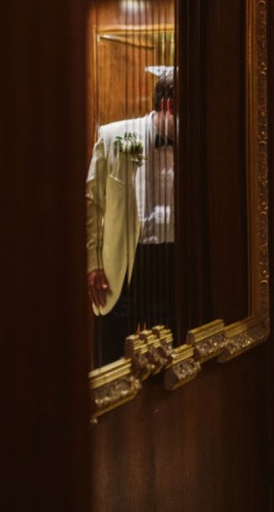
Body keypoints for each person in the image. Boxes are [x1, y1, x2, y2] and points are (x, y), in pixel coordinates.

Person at [86, 71, 177, 365]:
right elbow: (91, 203)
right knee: (110, 357)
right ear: (169, 106)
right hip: (124, 261)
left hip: (172, 263)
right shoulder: (117, 136)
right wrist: (92, 263)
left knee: (169, 359)